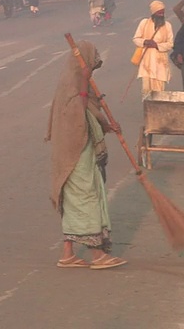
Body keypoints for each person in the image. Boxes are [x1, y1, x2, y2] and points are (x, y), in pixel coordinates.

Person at [45, 40, 126, 270]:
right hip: (74, 153)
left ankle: (67, 253)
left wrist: (109, 127)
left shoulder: (79, 86)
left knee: (74, 201)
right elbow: (78, 116)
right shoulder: (73, 87)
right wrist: (83, 80)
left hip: (73, 153)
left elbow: (91, 114)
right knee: (86, 197)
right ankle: (97, 255)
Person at [132, 0, 174, 99]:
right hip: (146, 63)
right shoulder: (144, 23)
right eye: (159, 12)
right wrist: (145, 42)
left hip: (161, 63)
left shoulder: (167, 25)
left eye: (163, 12)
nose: (161, 15)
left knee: (159, 92)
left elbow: (170, 44)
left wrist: (157, 45)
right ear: (154, 13)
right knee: (146, 91)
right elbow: (136, 39)